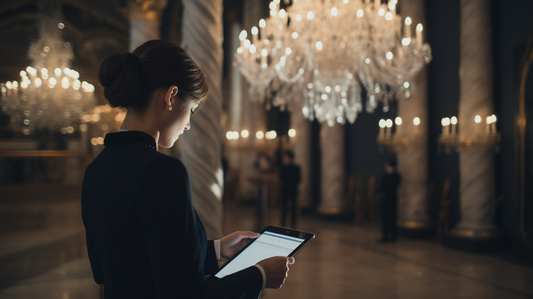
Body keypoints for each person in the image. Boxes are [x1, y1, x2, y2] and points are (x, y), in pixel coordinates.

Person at [81, 40, 294, 299]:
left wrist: (216, 249)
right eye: (191, 110)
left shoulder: (96, 169)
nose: (188, 125)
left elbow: (121, 265)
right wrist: (259, 275)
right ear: (171, 96)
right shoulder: (162, 171)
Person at [377, 159, 401, 243]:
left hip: (388, 199)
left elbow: (384, 187)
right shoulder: (395, 175)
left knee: (387, 218)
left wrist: (382, 194)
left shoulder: (390, 175)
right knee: (390, 218)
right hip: (391, 199)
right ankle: (390, 235)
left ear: (388, 165)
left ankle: (388, 236)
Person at [279, 150, 301, 228]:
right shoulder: (297, 168)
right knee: (292, 207)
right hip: (293, 189)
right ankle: (293, 223)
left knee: (285, 207)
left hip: (286, 189)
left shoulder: (284, 168)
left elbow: (281, 179)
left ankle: (283, 223)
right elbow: (299, 179)